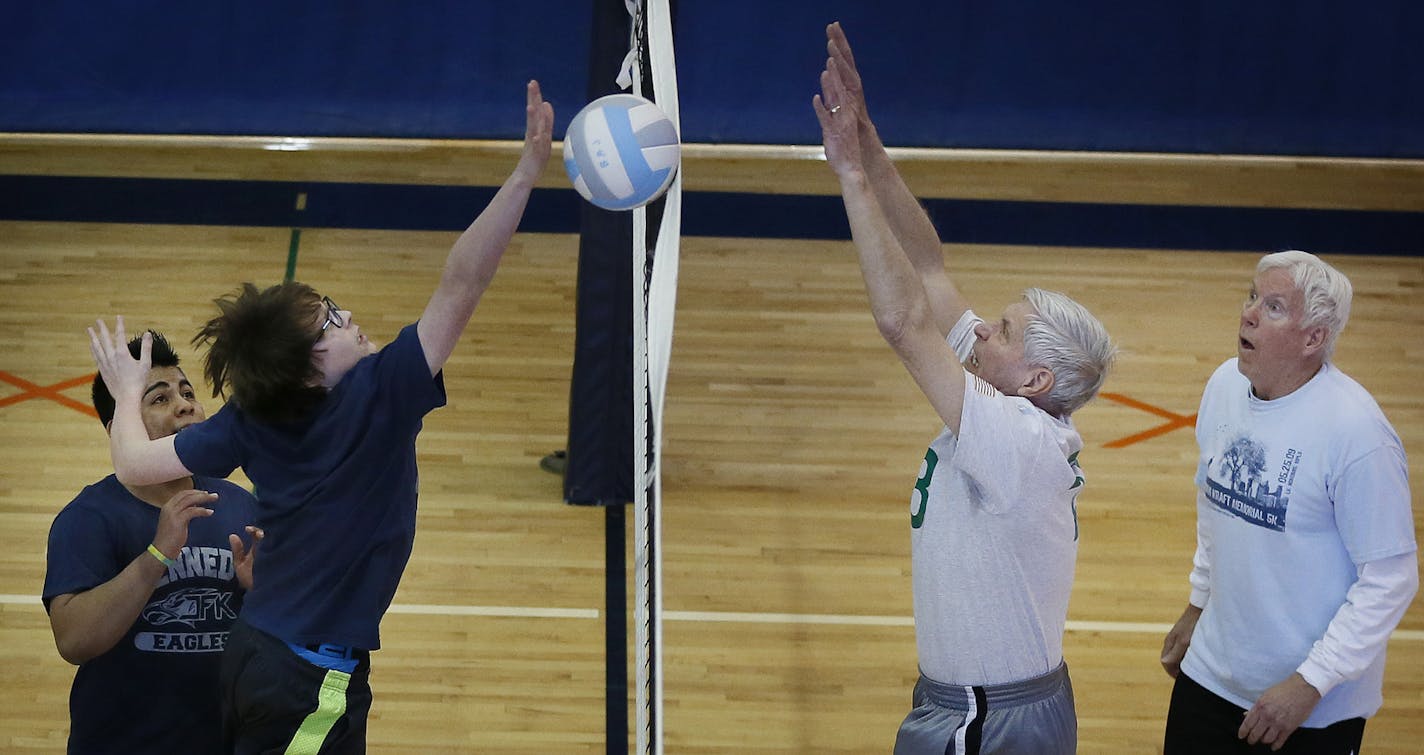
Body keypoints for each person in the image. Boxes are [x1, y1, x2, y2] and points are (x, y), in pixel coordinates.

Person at [86, 80, 554, 753]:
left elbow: (132, 460)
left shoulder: (248, 418)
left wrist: (130, 390)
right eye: (333, 320)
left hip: (256, 651)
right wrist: (526, 172)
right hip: (313, 679)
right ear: (309, 366)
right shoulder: (384, 392)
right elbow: (462, 281)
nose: (350, 317)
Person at [813, 22, 1117, 755]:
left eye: (1003, 331)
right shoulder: (1008, 404)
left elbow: (902, 322)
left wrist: (850, 177)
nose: (982, 331)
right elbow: (929, 270)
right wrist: (874, 148)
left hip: (990, 718)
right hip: (967, 705)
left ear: (1038, 378)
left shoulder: (1013, 435)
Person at [1160, 250, 1418, 754]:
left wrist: (1311, 683)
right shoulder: (1225, 386)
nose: (1249, 312)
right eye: (1253, 296)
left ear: (1313, 338)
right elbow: (1215, 506)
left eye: (1274, 306)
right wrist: (1198, 603)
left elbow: (1391, 579)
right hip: (1209, 677)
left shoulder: (1357, 434)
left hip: (1310, 708)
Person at [43, 330, 262, 754]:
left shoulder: (239, 504)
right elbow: (73, 641)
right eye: (159, 399)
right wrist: (156, 555)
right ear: (118, 428)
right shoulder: (88, 517)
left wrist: (264, 590)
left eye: (186, 392)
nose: (185, 404)